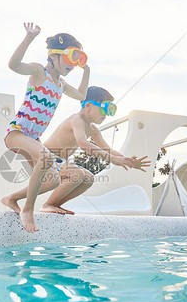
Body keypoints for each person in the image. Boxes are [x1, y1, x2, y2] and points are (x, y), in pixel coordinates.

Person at [1, 22, 90, 233]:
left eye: (78, 59)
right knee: (47, 159)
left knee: (53, 181)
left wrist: (87, 70)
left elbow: (82, 96)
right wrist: (29, 38)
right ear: (55, 54)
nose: (73, 64)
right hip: (17, 133)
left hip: (33, 139)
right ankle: (28, 211)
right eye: (71, 56)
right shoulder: (39, 72)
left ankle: (10, 198)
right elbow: (13, 65)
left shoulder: (61, 85)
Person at [40, 86, 151, 214]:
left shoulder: (93, 129)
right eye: (105, 109)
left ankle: (54, 204)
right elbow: (84, 144)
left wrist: (127, 160)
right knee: (77, 174)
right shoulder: (76, 120)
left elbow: (107, 149)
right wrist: (114, 160)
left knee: (88, 178)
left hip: (58, 161)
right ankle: (47, 204)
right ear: (88, 106)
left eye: (110, 111)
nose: (106, 115)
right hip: (45, 157)